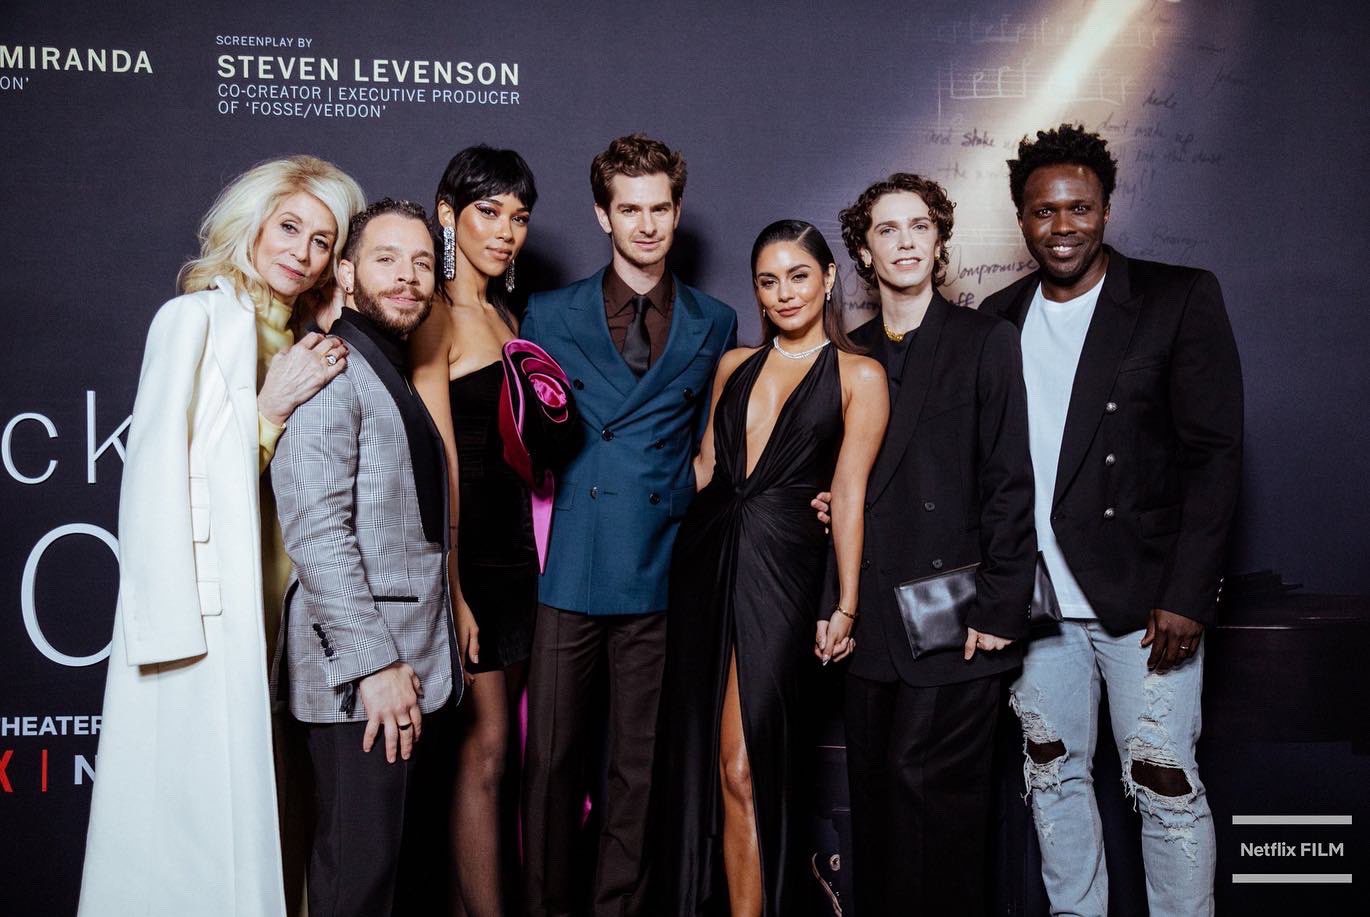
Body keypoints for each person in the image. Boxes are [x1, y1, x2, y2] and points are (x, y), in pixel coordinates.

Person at [77, 155, 365, 917]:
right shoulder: (193, 319)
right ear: (252, 226)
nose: (303, 252)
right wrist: (268, 411)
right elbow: (156, 480)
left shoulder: (304, 338)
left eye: (323, 240)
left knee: (270, 827)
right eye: (289, 227)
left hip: (283, 619)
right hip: (205, 617)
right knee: (193, 838)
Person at [982, 124, 1242, 917]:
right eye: (1044, 211)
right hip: (1036, 605)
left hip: (1145, 601)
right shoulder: (997, 316)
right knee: (1052, 776)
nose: (1062, 227)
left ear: (1106, 209)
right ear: (1021, 219)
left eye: (1079, 208)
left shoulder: (1176, 297)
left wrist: (1189, 591)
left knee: (1164, 780)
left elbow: (1215, 453)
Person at [518, 133, 738, 917]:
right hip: (573, 559)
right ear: (602, 215)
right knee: (551, 762)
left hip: (658, 561)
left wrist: (693, 487)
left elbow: (715, 441)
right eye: (630, 209)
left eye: (660, 209)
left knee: (637, 766)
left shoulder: (715, 320)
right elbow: (525, 437)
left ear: (677, 212)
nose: (646, 225)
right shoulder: (548, 312)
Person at [659, 219, 888, 916]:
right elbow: (705, 466)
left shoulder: (859, 374)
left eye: (798, 276)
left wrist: (846, 603)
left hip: (783, 571)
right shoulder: (734, 365)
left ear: (828, 279)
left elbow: (848, 492)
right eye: (768, 280)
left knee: (745, 763)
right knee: (707, 761)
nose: (784, 292)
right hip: (705, 561)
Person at [834, 174, 1037, 915]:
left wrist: (1001, 607)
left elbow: (1011, 481)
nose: (906, 241)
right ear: (864, 251)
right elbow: (836, 482)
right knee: (877, 801)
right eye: (887, 229)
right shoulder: (846, 352)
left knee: (938, 806)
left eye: (919, 225)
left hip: (956, 619)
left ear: (940, 239)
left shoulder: (985, 340)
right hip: (869, 625)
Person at [271, 198, 460, 917]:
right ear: (347, 274)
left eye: (421, 262)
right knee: (358, 887)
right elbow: (317, 531)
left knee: (394, 886)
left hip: (407, 675)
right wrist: (374, 665)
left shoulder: (384, 368)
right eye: (387, 259)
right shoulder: (329, 369)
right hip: (362, 683)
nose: (408, 276)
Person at [410, 145, 540, 917]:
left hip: (517, 553)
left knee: (499, 756)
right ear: (448, 214)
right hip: (473, 562)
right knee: (484, 753)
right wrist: (452, 587)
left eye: (518, 217)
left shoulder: (503, 315)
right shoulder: (432, 314)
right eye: (488, 212)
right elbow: (441, 460)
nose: (506, 232)